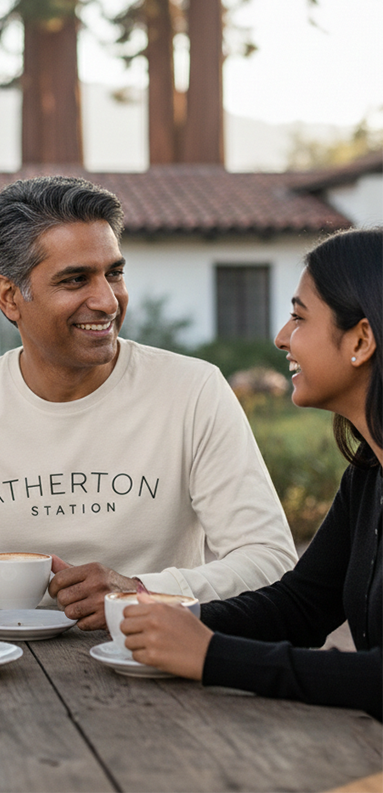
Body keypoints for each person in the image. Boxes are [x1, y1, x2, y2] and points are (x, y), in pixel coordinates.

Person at [0, 175, 296, 627]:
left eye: (114, 273)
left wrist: (140, 592)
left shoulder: (193, 390)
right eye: (75, 280)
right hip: (8, 666)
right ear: (10, 297)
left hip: (157, 662)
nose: (106, 300)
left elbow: (270, 559)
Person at [120, 227, 383, 721]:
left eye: (299, 318)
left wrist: (212, 656)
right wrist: (175, 618)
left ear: (362, 339)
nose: (282, 337)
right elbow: (302, 606)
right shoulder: (369, 475)